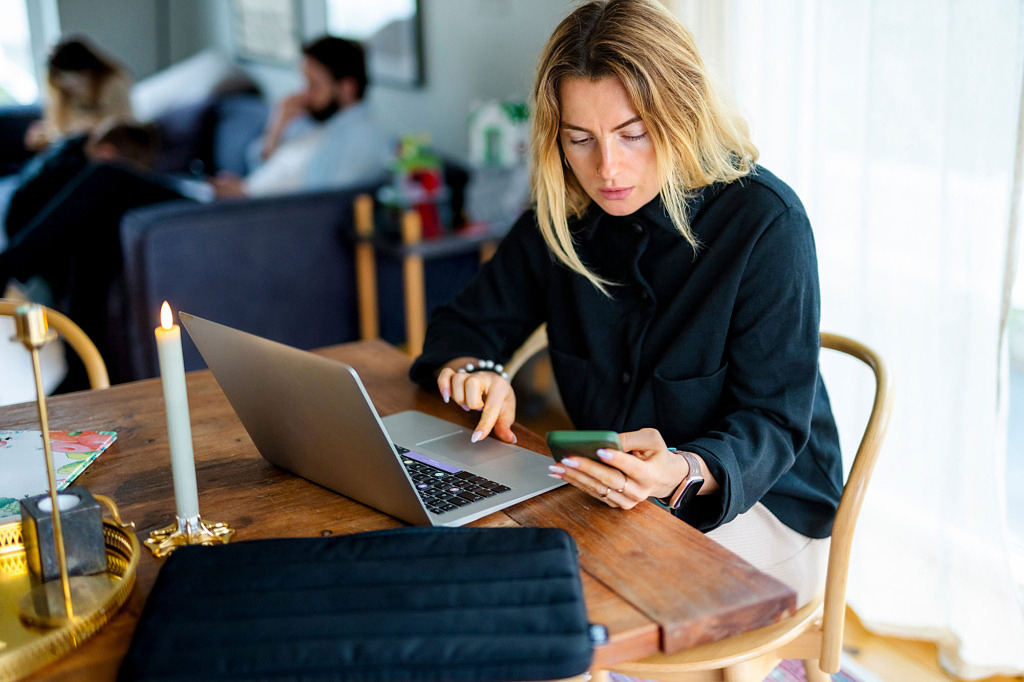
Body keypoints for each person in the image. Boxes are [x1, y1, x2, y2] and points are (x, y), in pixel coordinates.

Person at [409, 0, 842, 606]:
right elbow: (464, 327)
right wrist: (474, 373)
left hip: (767, 506)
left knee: (551, 600)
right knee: (471, 567)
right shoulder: (564, 213)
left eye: (633, 134)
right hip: (617, 496)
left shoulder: (765, 223)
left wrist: (684, 470)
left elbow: (771, 423)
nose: (606, 168)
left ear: (682, 113)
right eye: (579, 139)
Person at [212, 36, 392, 198]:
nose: (304, 93)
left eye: (314, 85)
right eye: (304, 82)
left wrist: (245, 195)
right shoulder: (311, 120)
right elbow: (260, 167)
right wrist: (277, 126)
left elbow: (320, 203)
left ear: (347, 88)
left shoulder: (363, 139)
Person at [24, 37, 133, 152]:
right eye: (64, 78)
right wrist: (44, 137)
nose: (71, 84)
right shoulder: (61, 91)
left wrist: (91, 130)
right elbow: (58, 130)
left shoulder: (114, 84)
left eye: (77, 77)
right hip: (71, 148)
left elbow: (122, 125)